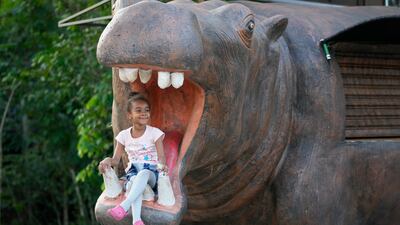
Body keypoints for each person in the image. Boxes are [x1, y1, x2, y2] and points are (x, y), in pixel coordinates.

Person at [98, 92, 167, 225]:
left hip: (151, 172)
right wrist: (107, 160)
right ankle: (137, 221)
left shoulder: (155, 133)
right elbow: (115, 160)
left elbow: (161, 156)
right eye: (138, 110)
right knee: (134, 183)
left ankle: (124, 206)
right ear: (130, 115)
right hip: (133, 172)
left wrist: (162, 165)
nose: (144, 113)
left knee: (143, 174)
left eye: (147, 110)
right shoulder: (124, 135)